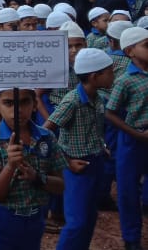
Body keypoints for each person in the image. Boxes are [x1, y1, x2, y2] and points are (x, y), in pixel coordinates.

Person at [0, 88, 65, 250]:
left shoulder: (47, 137)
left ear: (35, 104)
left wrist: (37, 177)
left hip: (34, 223)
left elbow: (60, 185)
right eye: (8, 103)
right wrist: (10, 166)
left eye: (25, 102)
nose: (18, 110)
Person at [43, 48, 112, 250]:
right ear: (94, 76)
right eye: (109, 72)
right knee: (77, 221)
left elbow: (95, 128)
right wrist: (66, 161)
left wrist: (101, 146)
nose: (113, 76)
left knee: (89, 217)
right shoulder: (72, 100)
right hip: (76, 168)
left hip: (95, 161)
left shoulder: (98, 98)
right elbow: (46, 133)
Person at [105, 26, 148, 250]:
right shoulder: (125, 81)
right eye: (146, 45)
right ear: (130, 51)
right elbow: (110, 112)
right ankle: (131, 238)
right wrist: (136, 133)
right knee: (128, 189)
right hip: (132, 140)